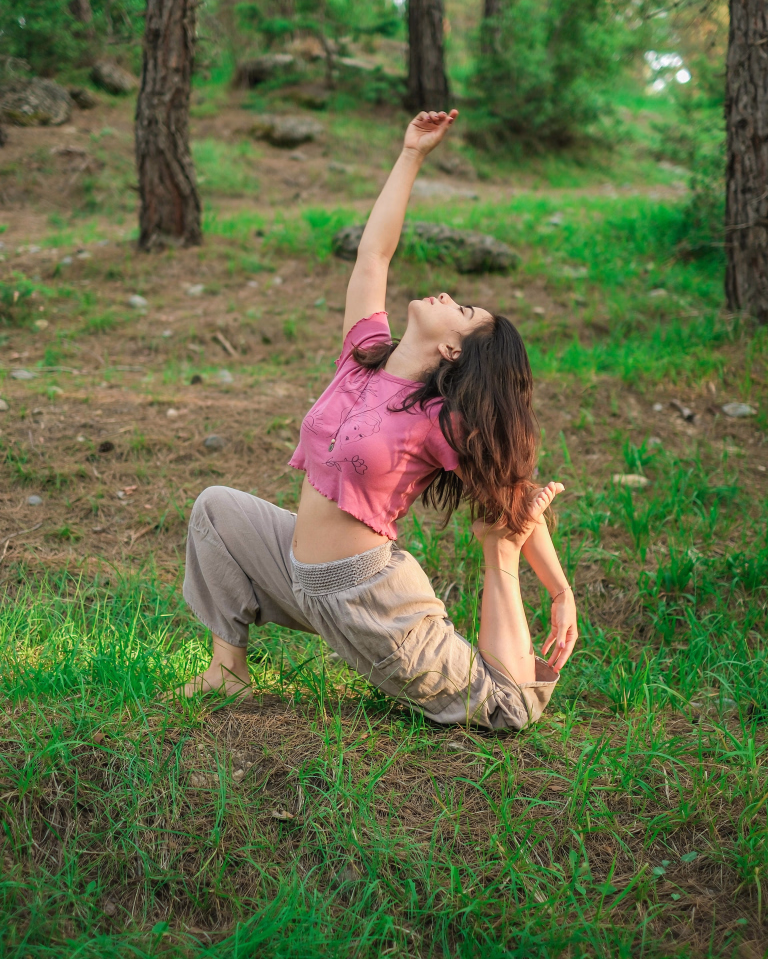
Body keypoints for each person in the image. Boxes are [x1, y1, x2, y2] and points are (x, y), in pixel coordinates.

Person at [179, 109, 578, 730]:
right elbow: (374, 253)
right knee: (215, 511)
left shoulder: (443, 420)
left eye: (463, 308)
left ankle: (497, 563)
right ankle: (227, 672)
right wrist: (411, 154)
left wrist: (555, 587)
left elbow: (516, 494)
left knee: (506, 709)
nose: (447, 296)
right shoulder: (362, 358)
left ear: (454, 352)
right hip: (299, 571)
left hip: (369, 597)